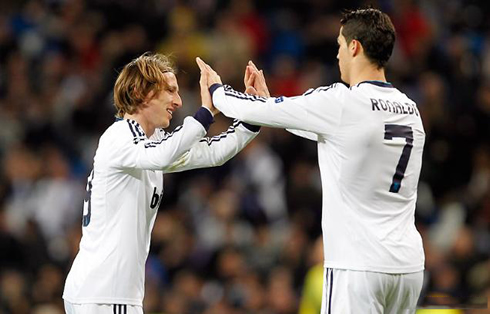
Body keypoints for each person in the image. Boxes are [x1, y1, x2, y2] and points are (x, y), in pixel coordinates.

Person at [197, 7, 425, 314]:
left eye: (340, 46)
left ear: (354, 47)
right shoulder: (410, 109)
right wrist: (268, 103)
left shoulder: (344, 102)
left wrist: (216, 90)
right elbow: (330, 132)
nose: (338, 55)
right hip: (408, 266)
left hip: (356, 266)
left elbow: (258, 112)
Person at [62, 52, 261, 314]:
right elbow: (162, 155)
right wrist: (204, 113)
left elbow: (211, 153)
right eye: (169, 90)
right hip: (107, 293)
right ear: (139, 92)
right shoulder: (121, 135)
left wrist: (252, 116)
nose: (178, 101)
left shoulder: (151, 142)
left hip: (102, 292)